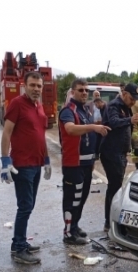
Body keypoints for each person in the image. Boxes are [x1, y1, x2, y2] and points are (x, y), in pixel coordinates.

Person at [0, 71, 50, 264]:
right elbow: (7, 133)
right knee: (25, 206)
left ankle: (19, 242)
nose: (36, 89)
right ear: (25, 85)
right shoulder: (17, 104)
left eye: (39, 86)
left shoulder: (39, 106)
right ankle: (19, 247)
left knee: (29, 206)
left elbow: (40, 135)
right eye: (32, 85)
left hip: (36, 164)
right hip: (22, 165)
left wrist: (46, 160)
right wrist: (5, 160)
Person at [58, 78, 111, 245]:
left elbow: (89, 138)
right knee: (72, 198)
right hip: (73, 164)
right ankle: (68, 233)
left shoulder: (85, 111)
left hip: (87, 164)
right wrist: (93, 127)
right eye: (80, 90)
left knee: (82, 198)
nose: (84, 93)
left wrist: (94, 158)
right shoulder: (68, 110)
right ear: (73, 92)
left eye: (85, 90)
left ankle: (74, 226)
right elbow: (70, 129)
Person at [100, 83, 138, 233]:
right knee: (115, 188)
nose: (133, 102)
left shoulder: (126, 107)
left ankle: (111, 221)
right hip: (111, 152)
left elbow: (129, 129)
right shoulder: (114, 106)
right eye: (131, 98)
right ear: (124, 94)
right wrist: (130, 120)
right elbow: (114, 122)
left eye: (135, 99)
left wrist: (135, 145)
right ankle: (109, 222)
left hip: (121, 153)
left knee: (116, 187)